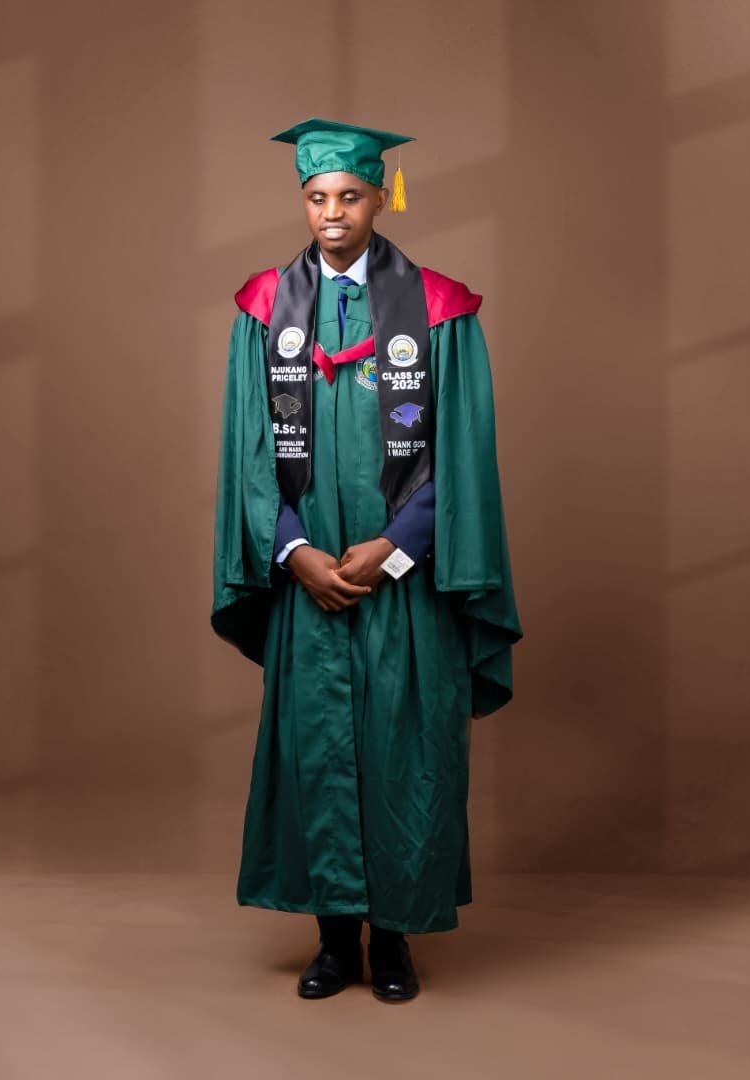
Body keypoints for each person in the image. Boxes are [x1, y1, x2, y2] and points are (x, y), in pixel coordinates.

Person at [211, 118, 522, 1002]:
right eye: (317, 198)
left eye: (350, 196)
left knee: (404, 749)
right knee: (319, 754)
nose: (333, 213)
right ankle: (333, 943)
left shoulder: (437, 308)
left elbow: (463, 453)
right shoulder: (265, 309)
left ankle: (393, 945)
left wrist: (393, 549)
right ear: (302, 202)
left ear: (382, 197)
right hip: (307, 580)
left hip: (402, 579)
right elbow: (248, 451)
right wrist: (295, 551)